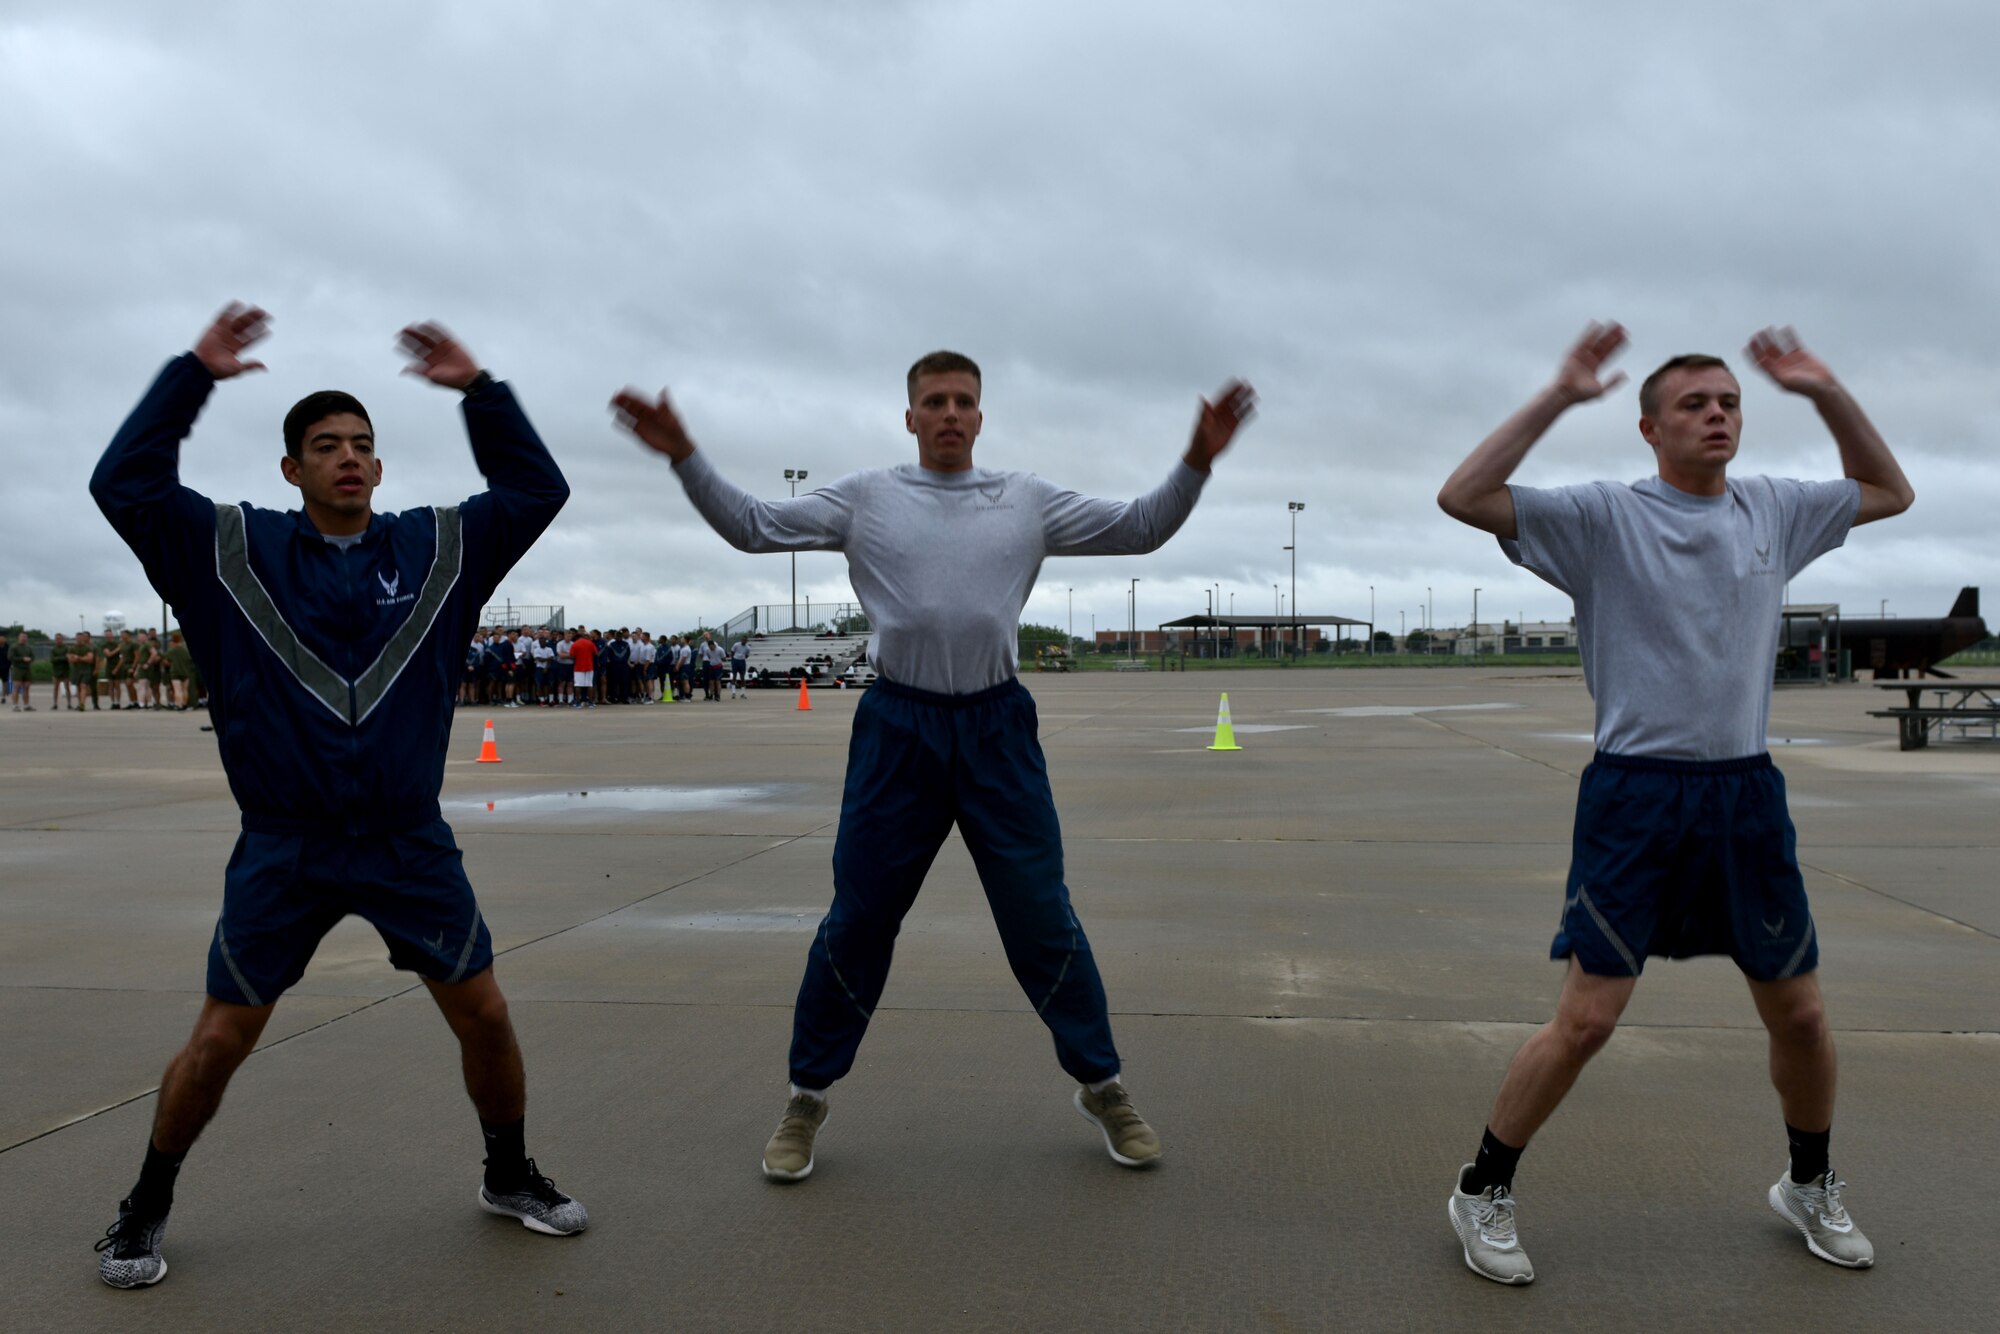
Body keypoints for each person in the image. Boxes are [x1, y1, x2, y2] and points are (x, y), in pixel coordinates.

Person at [614, 350, 1254, 1180]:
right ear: (910, 418)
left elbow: (1141, 527)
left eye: (964, 401)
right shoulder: (867, 497)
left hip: (997, 731)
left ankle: (1103, 1084)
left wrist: (1197, 460)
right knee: (860, 918)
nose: (950, 413)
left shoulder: (1026, 500)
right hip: (898, 731)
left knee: (1041, 916)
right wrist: (683, 455)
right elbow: (753, 525)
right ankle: (806, 1096)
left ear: (981, 417)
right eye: (934, 401)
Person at [87, 303, 584, 1289]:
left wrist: (479, 391)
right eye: (324, 446)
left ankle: (507, 1171)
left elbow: (537, 487)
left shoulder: (438, 550)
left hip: (407, 840)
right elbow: (124, 482)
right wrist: (194, 373)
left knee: (483, 1014)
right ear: (291, 469)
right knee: (221, 1036)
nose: (347, 458)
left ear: (381, 467)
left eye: (362, 444)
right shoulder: (228, 551)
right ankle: (141, 1207)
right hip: (286, 845)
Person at [1433, 323, 1915, 1284]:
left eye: (1731, 402)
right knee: (1589, 1019)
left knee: (1804, 1017)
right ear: (1650, 428)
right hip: (1636, 794)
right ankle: (1481, 1188)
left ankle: (1808, 1182)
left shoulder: (1776, 508)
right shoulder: (1604, 518)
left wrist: (1823, 390)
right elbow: (1464, 496)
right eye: (1695, 405)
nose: (1718, 417)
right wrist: (1558, 396)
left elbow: (1891, 492)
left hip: (1744, 794)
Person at [8, 630, 33, 710]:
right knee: (17, 687)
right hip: (17, 668)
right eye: (22, 637)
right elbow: (10, 657)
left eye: (25, 637)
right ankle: (15, 705)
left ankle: (26, 705)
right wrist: (22, 659)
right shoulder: (14, 647)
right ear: (19, 637)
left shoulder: (28, 647)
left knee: (26, 687)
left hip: (27, 669)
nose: (24, 638)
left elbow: (32, 657)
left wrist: (30, 659)